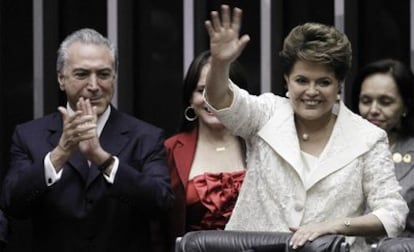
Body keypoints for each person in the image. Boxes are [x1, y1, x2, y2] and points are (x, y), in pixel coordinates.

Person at [203, 5, 408, 251]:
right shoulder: (267, 113)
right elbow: (220, 101)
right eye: (302, 81)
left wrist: (334, 226)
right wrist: (219, 63)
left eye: (323, 82)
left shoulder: (368, 137)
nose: (312, 92)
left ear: (339, 84)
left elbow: (392, 213)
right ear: (287, 80)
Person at [0, 28, 174, 252]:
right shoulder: (28, 135)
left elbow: (161, 204)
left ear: (114, 77)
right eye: (82, 74)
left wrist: (103, 159)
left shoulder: (146, 136)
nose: (94, 86)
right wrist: (60, 153)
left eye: (103, 74)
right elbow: (12, 204)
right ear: (61, 79)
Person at [164, 50, 247, 249]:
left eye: (222, 90)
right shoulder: (171, 149)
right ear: (190, 99)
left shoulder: (258, 144)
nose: (212, 99)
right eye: (202, 90)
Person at [351, 59, 414, 237]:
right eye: (366, 101)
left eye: (385, 102)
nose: (373, 110)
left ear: (405, 106)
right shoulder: (342, 149)